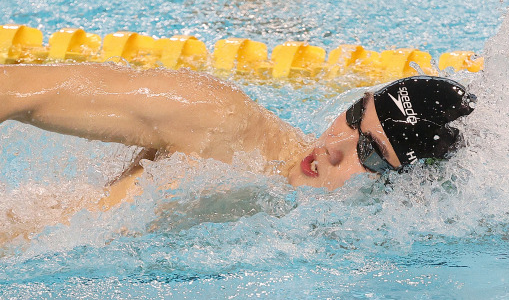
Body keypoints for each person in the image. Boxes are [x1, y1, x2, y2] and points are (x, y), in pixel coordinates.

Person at [0, 62, 475, 212]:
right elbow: (14, 90)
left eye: (370, 153)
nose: (334, 146)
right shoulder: (219, 120)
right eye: (354, 117)